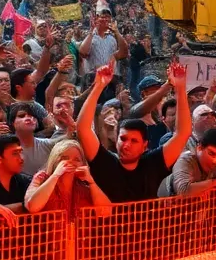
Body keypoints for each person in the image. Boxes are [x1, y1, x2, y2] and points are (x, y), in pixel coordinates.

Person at [80, 62, 192, 203]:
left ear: (145, 146)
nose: (126, 145)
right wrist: (98, 87)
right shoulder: (105, 162)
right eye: (123, 138)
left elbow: (183, 133)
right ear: (116, 139)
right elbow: (83, 129)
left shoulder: (152, 164)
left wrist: (181, 88)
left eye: (134, 141)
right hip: (109, 225)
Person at [24, 140, 111, 216]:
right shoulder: (41, 178)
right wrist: (55, 176)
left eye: (77, 159)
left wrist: (92, 183)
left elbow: (106, 212)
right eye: (64, 158)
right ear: (54, 160)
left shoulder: (84, 186)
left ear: (83, 164)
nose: (71, 162)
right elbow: (32, 207)